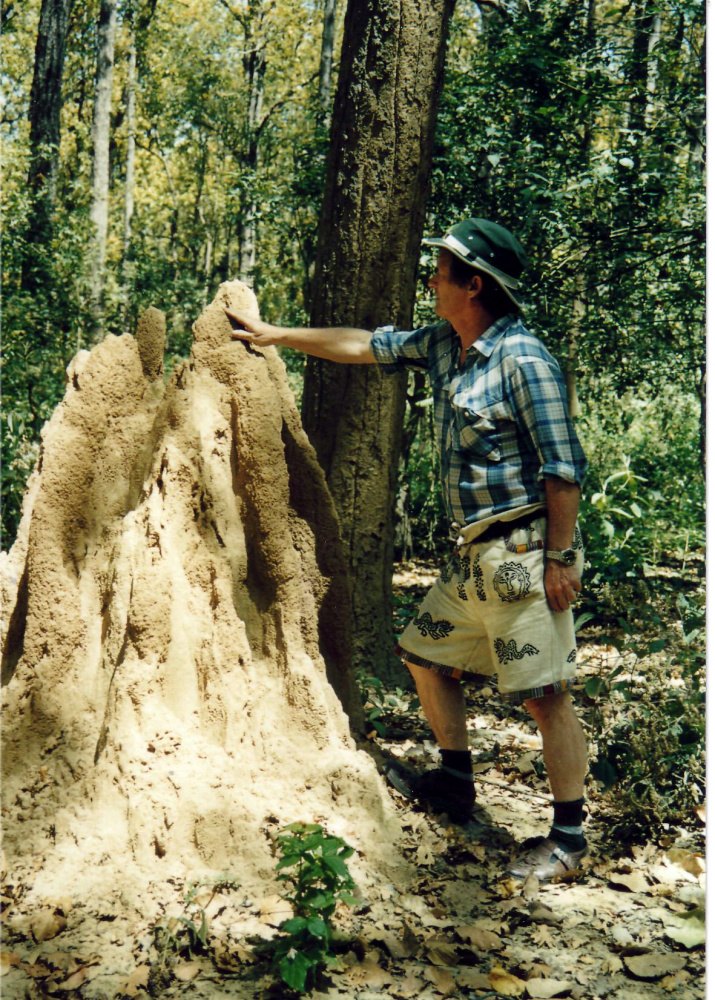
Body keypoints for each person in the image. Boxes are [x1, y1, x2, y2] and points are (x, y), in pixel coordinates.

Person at [225, 218, 589, 880]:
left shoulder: (524, 361)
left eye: (442, 273)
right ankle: (454, 781)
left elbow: (562, 467)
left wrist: (560, 559)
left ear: (473, 285)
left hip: (521, 551)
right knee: (423, 656)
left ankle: (567, 840)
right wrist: (277, 336)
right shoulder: (446, 345)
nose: (431, 281)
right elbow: (364, 346)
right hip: (470, 556)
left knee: (543, 694)